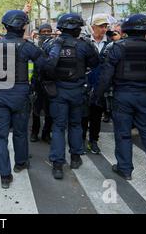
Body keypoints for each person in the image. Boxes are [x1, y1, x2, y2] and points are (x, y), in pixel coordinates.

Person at [93, 14, 146, 187]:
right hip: (145, 95)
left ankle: (125, 169)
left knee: (123, 133)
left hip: (122, 95)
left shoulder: (117, 47)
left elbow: (106, 75)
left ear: (127, 29)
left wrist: (98, 95)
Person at [0, 9, 47, 189]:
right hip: (21, 94)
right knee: (21, 132)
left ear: (6, 26)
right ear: (22, 27)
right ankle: (21, 162)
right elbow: (45, 65)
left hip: (0, 93)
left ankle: (4, 175)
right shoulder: (27, 46)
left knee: (1, 136)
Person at [43, 13, 100, 180]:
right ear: (77, 29)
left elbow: (43, 66)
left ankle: (58, 165)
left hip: (58, 92)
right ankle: (75, 158)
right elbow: (95, 63)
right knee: (76, 125)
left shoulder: (51, 44)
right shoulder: (84, 45)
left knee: (58, 127)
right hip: (77, 91)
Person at [83, 14, 112, 154]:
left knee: (96, 115)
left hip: (102, 85)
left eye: (105, 26)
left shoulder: (112, 43)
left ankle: (93, 140)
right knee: (83, 114)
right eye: (101, 26)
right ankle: (81, 139)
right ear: (92, 27)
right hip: (85, 84)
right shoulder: (84, 42)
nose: (104, 29)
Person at [30, 23, 53, 143]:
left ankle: (46, 133)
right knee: (36, 110)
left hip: (50, 82)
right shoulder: (33, 45)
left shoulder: (55, 44)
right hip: (37, 82)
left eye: (48, 31)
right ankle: (34, 132)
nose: (46, 34)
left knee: (50, 111)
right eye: (43, 31)